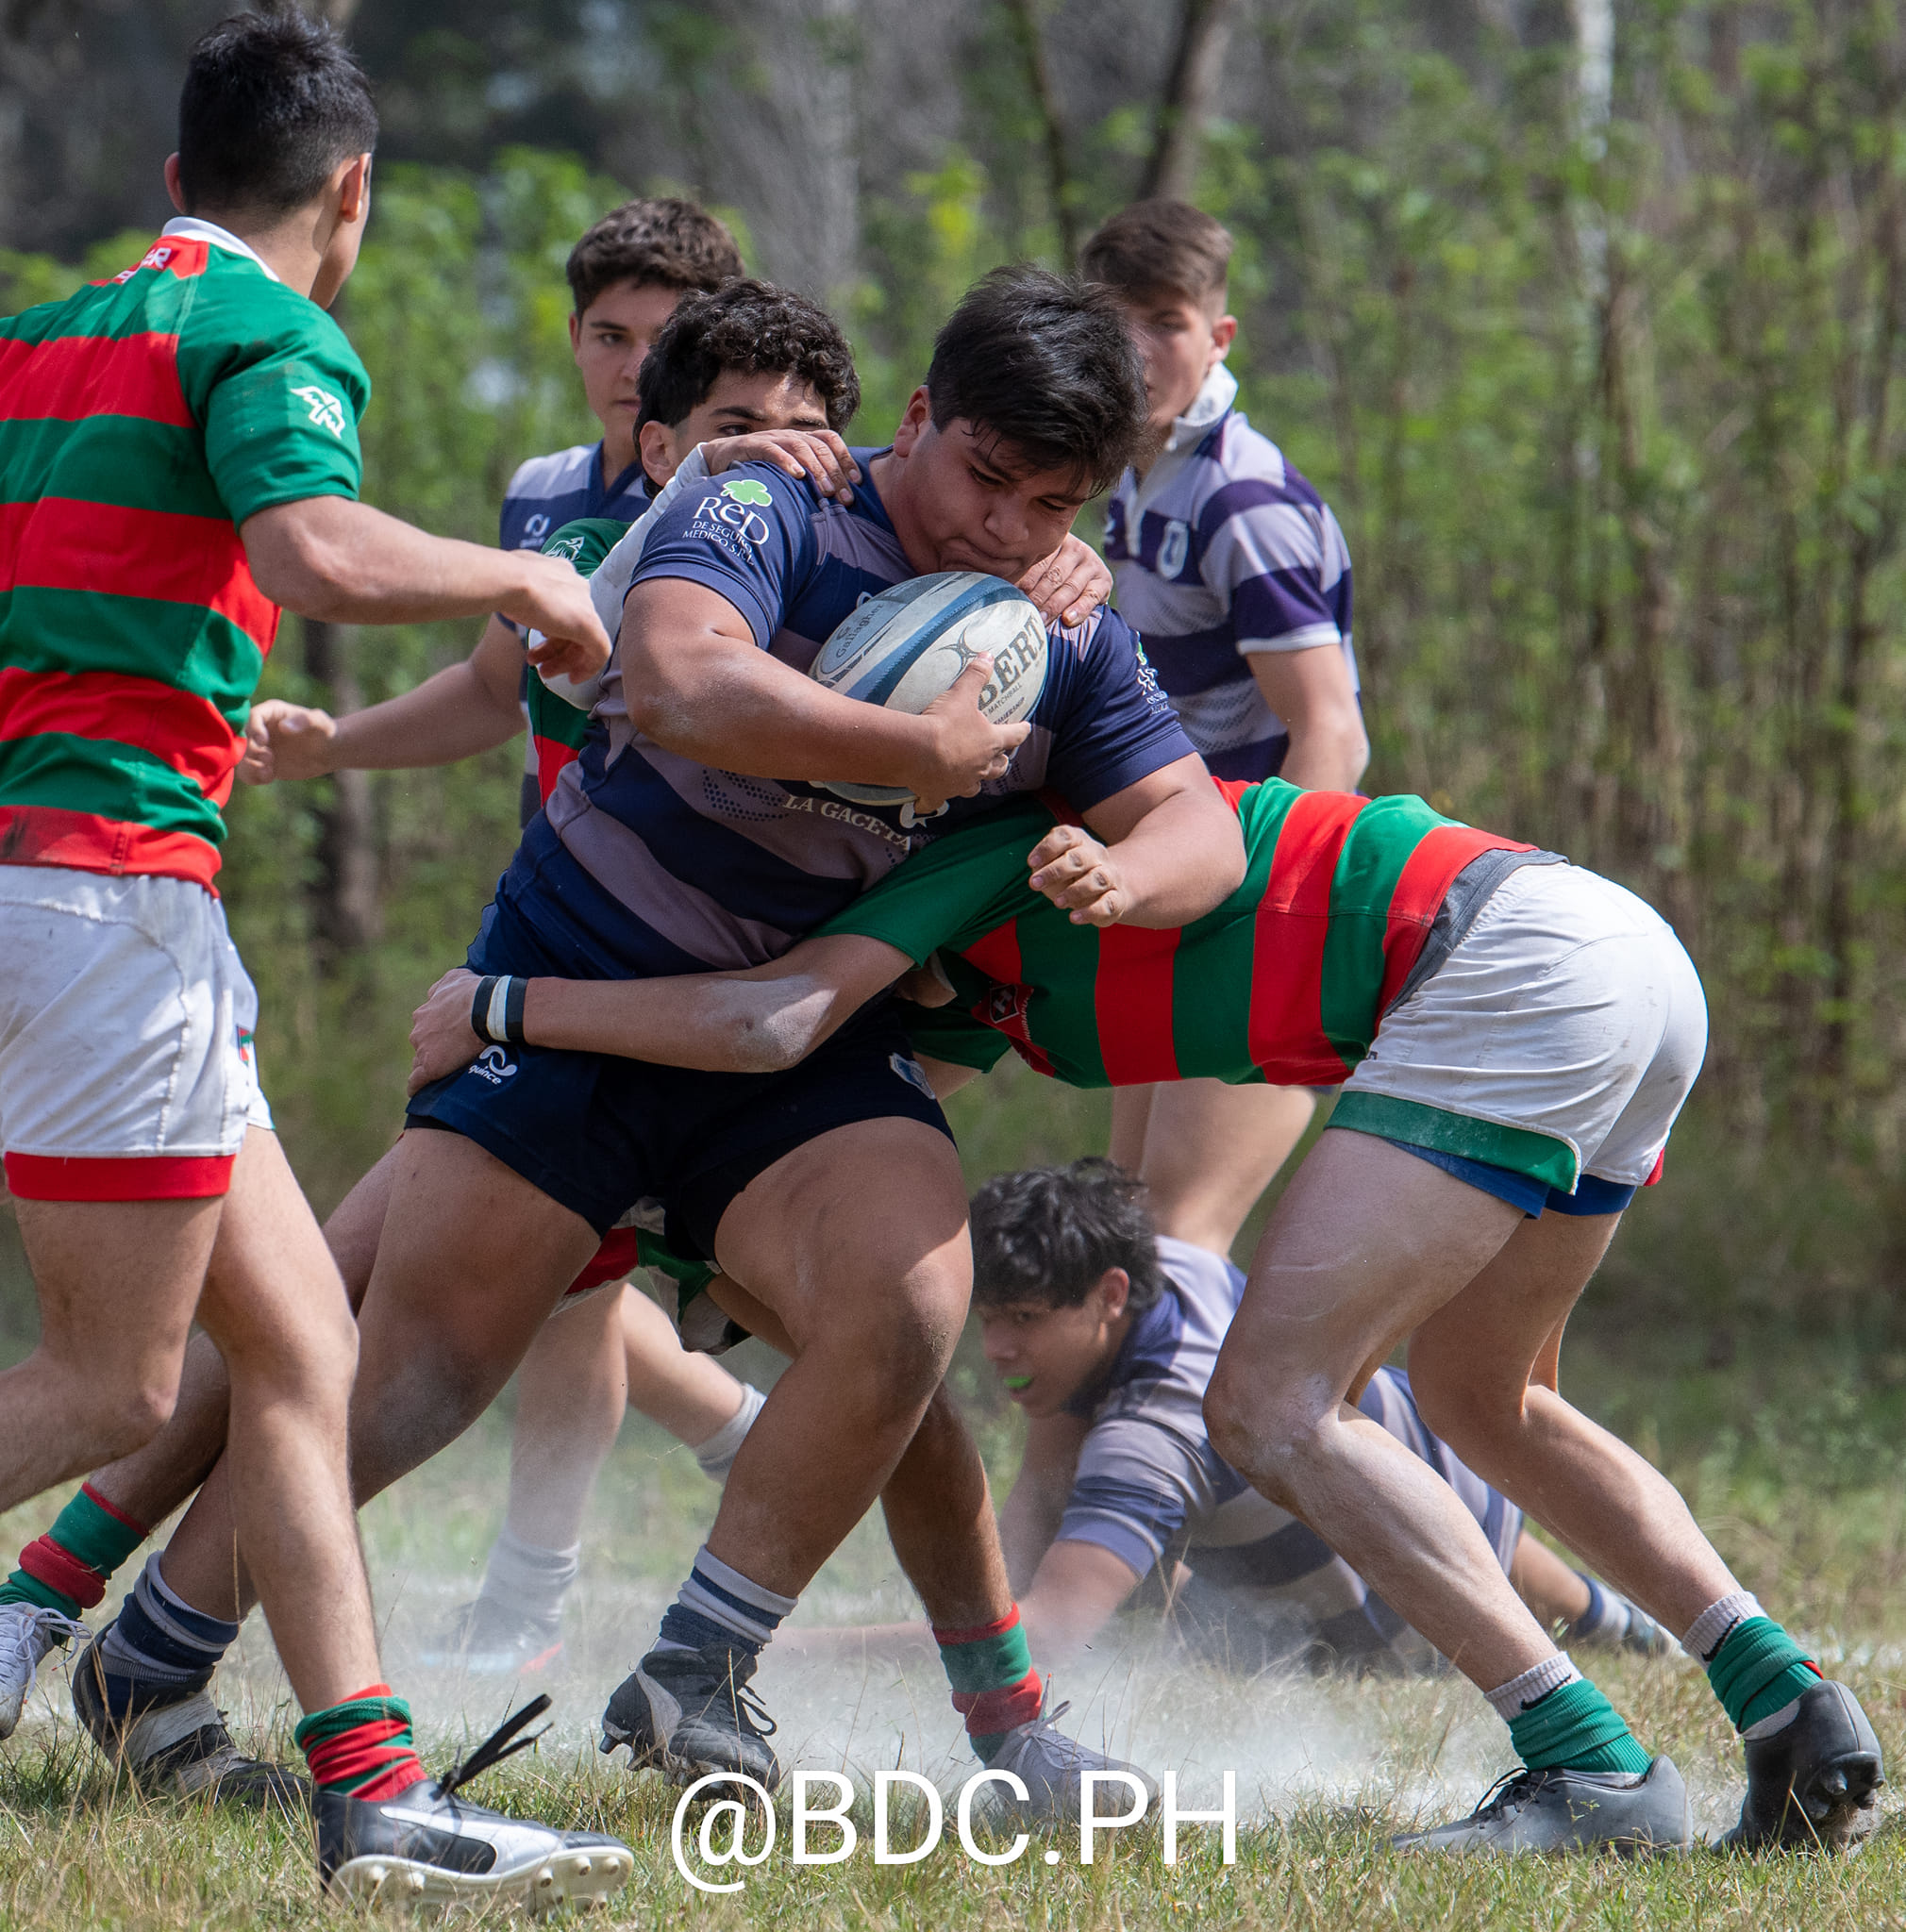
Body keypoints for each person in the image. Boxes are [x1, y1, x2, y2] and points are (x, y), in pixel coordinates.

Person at [23, 268, 1222, 1822]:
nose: (1004, 527)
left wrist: (1126, 874)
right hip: (576, 976)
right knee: (405, 1372)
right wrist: (912, 747)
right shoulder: (770, 505)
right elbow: (680, 678)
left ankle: (703, 1670)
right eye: (987, 479)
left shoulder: (1064, 624)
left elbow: (1199, 822)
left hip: (792, 1042)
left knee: (910, 1304)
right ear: (918, 419)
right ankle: (152, 1655)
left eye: (1051, 503)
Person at [405, 771, 1883, 1856]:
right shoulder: (958, 995)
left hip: (1506, 965)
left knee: (1269, 1402)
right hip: (1616, 950)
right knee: (1490, 1399)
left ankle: (1589, 1768)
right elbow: (842, 1162)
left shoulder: (949, 857)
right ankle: (1787, 1705)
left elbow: (769, 1021)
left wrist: (502, 1007)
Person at [0, 282, 867, 1743]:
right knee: (322, 1351)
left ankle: (155, 1635)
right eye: (731, 426)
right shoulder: (572, 524)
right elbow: (501, 674)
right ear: (653, 422)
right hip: (557, 995)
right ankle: (122, 1630)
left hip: (728, 1021)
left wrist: (1058, 586)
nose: (773, 455)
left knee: (319, 1336)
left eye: (800, 433)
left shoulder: (854, 563)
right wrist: (340, 745)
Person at [0, 10, 632, 1904]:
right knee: (119, 1388)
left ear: (178, 179)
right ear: (350, 194)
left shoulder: (37, 339)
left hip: (73, 885)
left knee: (297, 1345)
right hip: (109, 896)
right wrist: (524, 578)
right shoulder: (270, 330)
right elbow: (312, 555)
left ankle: (373, 1792)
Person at [968, 1159, 1664, 1674]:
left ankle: (1620, 1627)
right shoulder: (1179, 1266)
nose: (999, 1350)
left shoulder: (1152, 1436)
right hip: (1442, 1465)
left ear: (1109, 1294)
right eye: (989, 1321)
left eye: (1025, 1321)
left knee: (1143, 1612)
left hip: (1398, 1629)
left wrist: (862, 1649)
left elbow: (1049, 1635)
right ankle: (1626, 1627)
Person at [243, 193, 744, 823]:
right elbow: (493, 690)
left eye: (665, 340)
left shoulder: (733, 501)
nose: (636, 369)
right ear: (574, 337)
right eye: (611, 336)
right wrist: (333, 745)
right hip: (549, 877)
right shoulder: (540, 487)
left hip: (676, 886)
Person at [1082, 198, 1369, 1281]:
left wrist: (1264, 918)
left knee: (1172, 1242)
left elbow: (1330, 734)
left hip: (1251, 890)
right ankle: (1148, 1456)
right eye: (1115, 323)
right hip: (1183, 879)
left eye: (1165, 321)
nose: (1140, 350)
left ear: (1219, 335)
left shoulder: (1238, 499)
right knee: (1123, 1244)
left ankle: (1271, 1444)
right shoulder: (1121, 472)